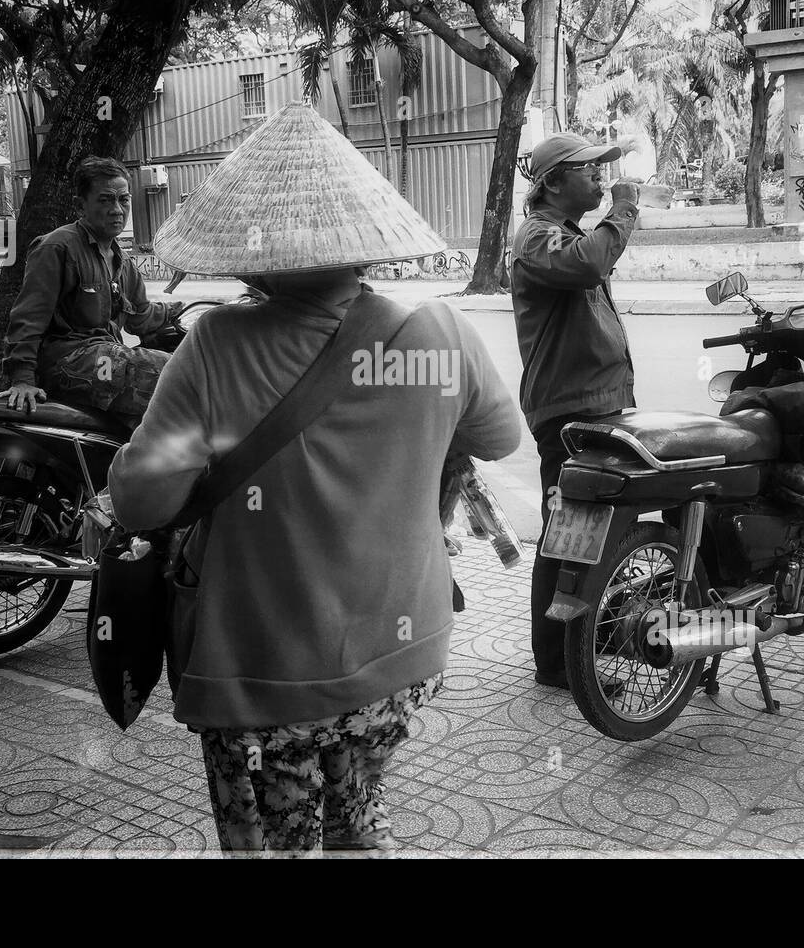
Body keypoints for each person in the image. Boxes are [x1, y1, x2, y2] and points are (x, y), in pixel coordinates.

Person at [108, 102, 522, 853]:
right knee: (357, 802)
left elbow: (141, 503)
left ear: (252, 254)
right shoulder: (441, 332)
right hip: (400, 655)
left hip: (265, 674)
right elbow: (500, 436)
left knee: (276, 840)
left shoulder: (216, 346)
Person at [509, 132, 642, 690]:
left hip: (593, 407)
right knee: (567, 532)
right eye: (587, 170)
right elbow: (589, 265)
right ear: (553, 182)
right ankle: (558, 662)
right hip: (569, 415)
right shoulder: (538, 239)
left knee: (586, 530)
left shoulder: (562, 233)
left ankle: (579, 642)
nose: (598, 177)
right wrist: (625, 209)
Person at [0, 156, 184, 422]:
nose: (117, 209)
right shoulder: (57, 248)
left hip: (102, 357)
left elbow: (139, 317)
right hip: (71, 361)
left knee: (185, 366)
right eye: (105, 199)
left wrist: (178, 312)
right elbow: (28, 319)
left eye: (123, 199)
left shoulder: (124, 262)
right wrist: (22, 378)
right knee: (164, 373)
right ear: (80, 205)